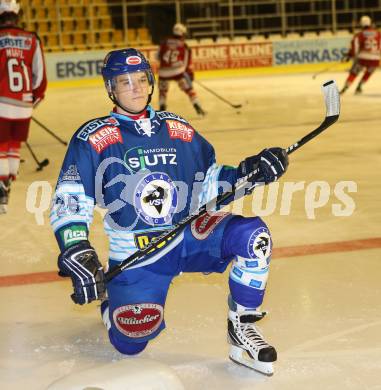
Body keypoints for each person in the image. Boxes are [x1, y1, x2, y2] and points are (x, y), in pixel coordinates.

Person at [50, 48, 289, 376]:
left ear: (150, 82)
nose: (134, 87)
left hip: (190, 233)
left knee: (253, 237)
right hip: (140, 251)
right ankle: (111, 301)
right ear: (111, 89)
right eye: (124, 82)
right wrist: (76, 245)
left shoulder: (178, 128)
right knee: (131, 341)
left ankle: (242, 327)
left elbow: (208, 184)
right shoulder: (94, 137)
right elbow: (71, 196)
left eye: (140, 80)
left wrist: (250, 173)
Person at [0, 0, 47, 214]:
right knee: (14, 146)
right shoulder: (32, 39)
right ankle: (7, 184)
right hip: (24, 104)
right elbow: (40, 78)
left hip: (1, 102)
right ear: (17, 17)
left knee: (1, 147)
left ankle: (2, 191)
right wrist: (30, 102)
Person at [157, 23, 205, 116]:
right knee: (189, 89)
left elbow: (157, 56)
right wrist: (190, 74)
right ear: (182, 33)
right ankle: (197, 106)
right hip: (178, 71)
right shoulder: (185, 46)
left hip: (164, 72)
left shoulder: (164, 42)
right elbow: (187, 64)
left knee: (162, 91)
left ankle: (162, 107)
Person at [340, 15, 381, 95]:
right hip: (375, 59)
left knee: (354, 72)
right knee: (368, 72)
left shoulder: (359, 35)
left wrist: (350, 55)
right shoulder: (378, 34)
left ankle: (345, 88)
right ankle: (360, 86)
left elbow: (355, 48)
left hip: (363, 58)